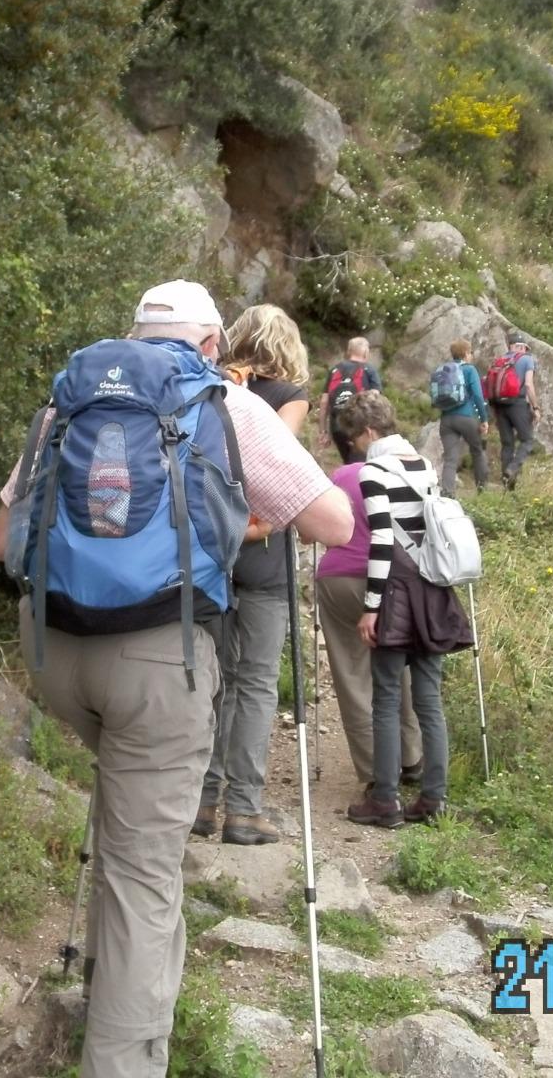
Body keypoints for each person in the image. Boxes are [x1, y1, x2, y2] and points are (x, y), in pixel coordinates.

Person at [0, 279, 351, 1078]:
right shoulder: (227, 405)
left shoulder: (67, 403)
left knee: (127, 828)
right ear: (212, 345)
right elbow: (333, 521)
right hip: (157, 658)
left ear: (133, 335)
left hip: (53, 651)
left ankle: (108, 989)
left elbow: (0, 541)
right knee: (142, 873)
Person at [194, 305, 311, 846]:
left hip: (214, 549)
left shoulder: (212, 387)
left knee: (215, 678)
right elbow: (276, 466)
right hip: (263, 553)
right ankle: (243, 811)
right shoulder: (289, 396)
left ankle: (202, 802)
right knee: (258, 682)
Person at [339, 391, 473, 829]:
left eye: (356, 438)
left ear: (369, 432)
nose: (356, 447)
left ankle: (385, 799)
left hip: (396, 591)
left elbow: (382, 541)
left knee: (386, 697)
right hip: (432, 588)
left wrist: (371, 607)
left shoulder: (374, 471)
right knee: (429, 700)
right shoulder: (424, 465)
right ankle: (434, 798)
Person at [315, 451, 426, 797]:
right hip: (393, 578)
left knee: (353, 675)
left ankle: (377, 773)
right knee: (398, 667)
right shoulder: (405, 473)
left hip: (339, 578)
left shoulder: (340, 476)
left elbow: (315, 529)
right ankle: (412, 757)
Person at [487, 330, 541, 491]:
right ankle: (512, 469)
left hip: (499, 405)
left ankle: (508, 487)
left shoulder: (500, 360)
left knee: (507, 444)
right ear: (522, 347)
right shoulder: (527, 359)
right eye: (524, 347)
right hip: (517, 404)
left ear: (510, 346)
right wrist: (535, 407)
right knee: (527, 440)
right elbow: (529, 385)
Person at [437, 338, 491, 498]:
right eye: (471, 352)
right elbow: (478, 396)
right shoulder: (469, 370)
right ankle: (482, 492)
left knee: (450, 459)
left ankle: (447, 494)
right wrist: (484, 419)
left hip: (446, 419)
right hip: (466, 418)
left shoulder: (443, 370)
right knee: (477, 451)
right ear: (466, 353)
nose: (471, 355)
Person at [318, 336, 382, 463]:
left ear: (349, 351)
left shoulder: (335, 369)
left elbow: (324, 402)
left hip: (337, 427)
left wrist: (323, 431)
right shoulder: (369, 370)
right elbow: (375, 398)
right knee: (361, 463)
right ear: (366, 352)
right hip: (360, 426)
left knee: (349, 461)